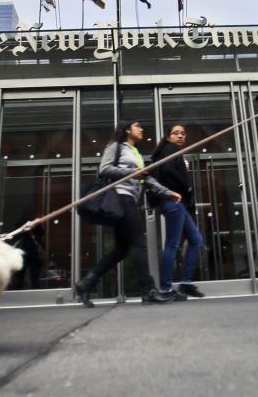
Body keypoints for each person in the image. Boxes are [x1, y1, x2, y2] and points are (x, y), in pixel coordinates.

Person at [74, 120, 182, 307]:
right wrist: (130, 172)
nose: (141, 129)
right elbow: (104, 169)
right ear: (127, 130)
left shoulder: (135, 152)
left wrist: (167, 193)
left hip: (129, 199)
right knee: (139, 244)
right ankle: (148, 290)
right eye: (137, 126)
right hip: (121, 198)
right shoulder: (115, 146)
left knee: (122, 249)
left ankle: (85, 284)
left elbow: (144, 178)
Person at [150, 124, 205, 300]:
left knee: (195, 239)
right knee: (172, 245)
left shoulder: (169, 150)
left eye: (182, 133)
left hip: (176, 203)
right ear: (168, 137)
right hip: (173, 201)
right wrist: (186, 186)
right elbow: (167, 170)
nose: (180, 136)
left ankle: (186, 283)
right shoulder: (170, 149)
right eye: (176, 133)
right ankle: (165, 289)